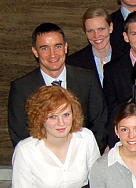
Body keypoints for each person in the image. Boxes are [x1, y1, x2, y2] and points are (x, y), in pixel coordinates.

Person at [8, 23, 107, 151]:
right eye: (44, 48)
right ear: (35, 52)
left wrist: (83, 157)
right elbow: (20, 135)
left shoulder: (87, 80)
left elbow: (100, 123)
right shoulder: (21, 88)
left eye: (58, 46)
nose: (52, 54)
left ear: (66, 48)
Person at [67, 7, 124, 86]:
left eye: (101, 29)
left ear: (110, 27)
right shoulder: (73, 63)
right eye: (90, 31)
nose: (96, 36)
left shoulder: (125, 58)